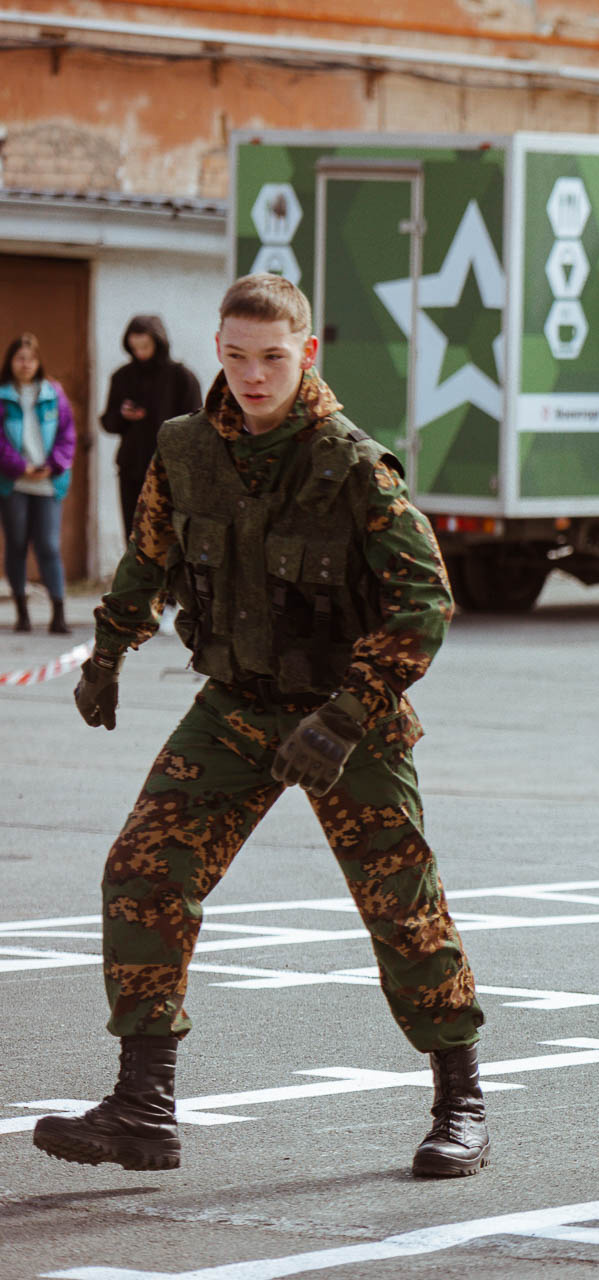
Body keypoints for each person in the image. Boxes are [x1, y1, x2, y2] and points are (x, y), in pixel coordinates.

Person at [37, 274, 490, 1180]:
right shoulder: (184, 449)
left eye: (273, 357)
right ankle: (143, 1106)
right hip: (236, 707)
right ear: (219, 349)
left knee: (400, 905)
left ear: (307, 355)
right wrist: (106, 653)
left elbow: (424, 603)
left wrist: (349, 713)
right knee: (143, 871)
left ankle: (461, 1101)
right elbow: (151, 558)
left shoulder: (354, 466)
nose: (253, 374)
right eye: (238, 355)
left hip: (346, 718)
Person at [0, 333, 78, 634]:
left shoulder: (53, 393)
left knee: (48, 545)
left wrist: (53, 465)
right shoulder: (3, 395)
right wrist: (20, 467)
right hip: (14, 483)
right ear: (10, 361)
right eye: (19, 358)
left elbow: (67, 435)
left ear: (38, 361)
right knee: (17, 545)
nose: (25, 364)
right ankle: (22, 612)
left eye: (30, 359)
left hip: (48, 483)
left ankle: (58, 612)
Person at [101, 315, 202, 544]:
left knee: (171, 538)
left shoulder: (181, 378)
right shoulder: (122, 377)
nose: (140, 353)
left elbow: (197, 426)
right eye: (135, 347)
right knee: (134, 536)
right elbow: (108, 422)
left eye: (145, 346)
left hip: (171, 471)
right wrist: (123, 415)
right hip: (132, 470)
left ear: (159, 343)